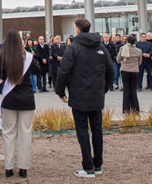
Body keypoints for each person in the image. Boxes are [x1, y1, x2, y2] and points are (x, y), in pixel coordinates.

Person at [55, 18, 114, 178]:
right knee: (97, 129)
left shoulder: (73, 48)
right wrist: (104, 88)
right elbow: (110, 70)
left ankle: (88, 167)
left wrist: (60, 92)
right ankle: (98, 164)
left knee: (82, 131)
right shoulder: (101, 46)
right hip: (96, 95)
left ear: (78, 30)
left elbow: (63, 71)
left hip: (79, 96)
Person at [0, 29, 38, 179]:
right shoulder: (29, 57)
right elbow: (39, 70)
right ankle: (23, 168)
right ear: (20, 42)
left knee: (8, 133)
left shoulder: (3, 57)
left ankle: (8, 168)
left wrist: (3, 76)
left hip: (9, 100)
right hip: (27, 99)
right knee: (25, 133)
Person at [116, 34, 141, 113]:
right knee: (133, 90)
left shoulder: (123, 49)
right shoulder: (138, 50)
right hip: (134, 71)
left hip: (125, 70)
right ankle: (135, 109)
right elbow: (139, 63)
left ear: (126, 41)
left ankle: (126, 109)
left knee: (126, 90)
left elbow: (118, 60)